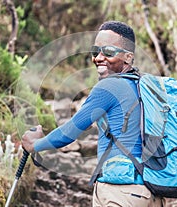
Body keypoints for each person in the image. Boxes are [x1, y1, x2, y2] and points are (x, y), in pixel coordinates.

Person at [22, 21, 163, 207]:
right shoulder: (144, 87)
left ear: (128, 57)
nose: (99, 57)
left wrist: (35, 144)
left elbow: (69, 132)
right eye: (95, 51)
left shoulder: (109, 86)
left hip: (120, 192)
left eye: (109, 52)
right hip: (151, 194)